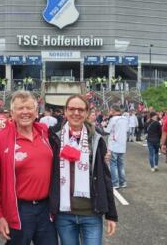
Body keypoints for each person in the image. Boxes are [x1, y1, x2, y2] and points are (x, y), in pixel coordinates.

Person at [0, 91, 58, 245]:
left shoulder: (45, 133)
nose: (25, 112)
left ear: (36, 111)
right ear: (12, 113)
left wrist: (100, 152)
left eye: (29, 108)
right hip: (19, 210)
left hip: (46, 208)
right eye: (20, 108)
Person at [50, 94, 117, 245]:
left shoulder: (96, 139)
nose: (76, 113)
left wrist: (111, 215)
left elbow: (105, 177)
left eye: (80, 109)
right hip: (64, 213)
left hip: (91, 213)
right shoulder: (53, 137)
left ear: (87, 113)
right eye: (72, 109)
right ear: (65, 111)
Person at [103, 105, 129, 189]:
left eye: (110, 110)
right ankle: (123, 182)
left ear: (113, 110)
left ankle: (115, 183)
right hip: (122, 145)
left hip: (114, 145)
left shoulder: (113, 119)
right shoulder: (125, 119)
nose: (110, 112)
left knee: (113, 164)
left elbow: (107, 131)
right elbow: (127, 130)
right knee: (120, 164)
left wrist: (103, 125)